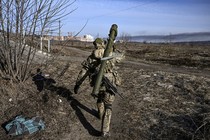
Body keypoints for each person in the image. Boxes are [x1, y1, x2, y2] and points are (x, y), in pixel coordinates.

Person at [74, 37, 124, 137]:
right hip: (110, 82)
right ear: (103, 44)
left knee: (100, 98)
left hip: (97, 83)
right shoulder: (111, 55)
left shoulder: (92, 57)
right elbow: (122, 56)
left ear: (95, 45)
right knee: (108, 105)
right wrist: (114, 47)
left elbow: (84, 71)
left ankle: (100, 114)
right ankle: (105, 131)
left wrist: (78, 84)